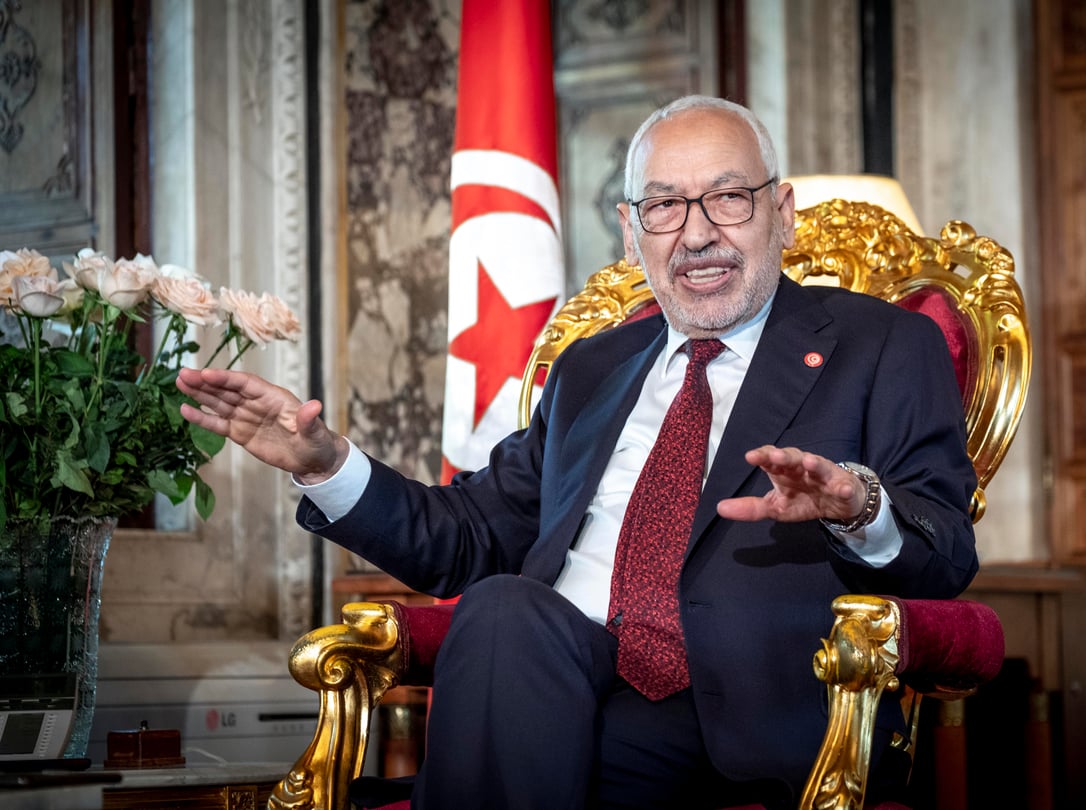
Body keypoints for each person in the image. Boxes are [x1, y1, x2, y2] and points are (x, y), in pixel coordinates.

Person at [177, 95, 978, 810]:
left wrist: (858, 507)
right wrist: (323, 462)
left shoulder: (881, 347)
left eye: (728, 198)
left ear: (783, 212)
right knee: (501, 609)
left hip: (740, 713)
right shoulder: (591, 369)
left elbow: (946, 556)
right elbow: (467, 539)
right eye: (664, 206)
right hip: (552, 672)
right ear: (632, 233)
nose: (696, 232)